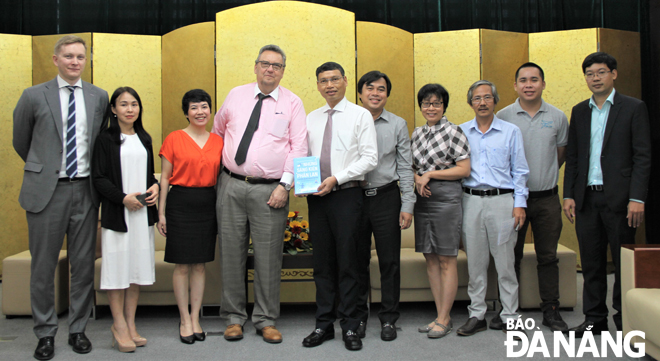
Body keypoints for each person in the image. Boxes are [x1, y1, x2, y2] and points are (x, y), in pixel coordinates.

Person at [13, 35, 109, 360]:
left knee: (82, 266)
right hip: (46, 192)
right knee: (43, 267)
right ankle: (45, 333)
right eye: (68, 56)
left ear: (86, 60)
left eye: (80, 56)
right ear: (55, 59)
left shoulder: (99, 97)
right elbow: (21, 141)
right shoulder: (32, 96)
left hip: (85, 191)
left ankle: (78, 329)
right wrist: (47, 169)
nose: (74, 62)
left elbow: (100, 143)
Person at [212, 45, 308, 344]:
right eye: (264, 64)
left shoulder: (293, 103)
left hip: (271, 190)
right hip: (230, 184)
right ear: (255, 67)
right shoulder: (235, 95)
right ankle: (233, 318)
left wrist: (285, 185)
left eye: (276, 65)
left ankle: (266, 319)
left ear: (283, 70)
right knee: (231, 253)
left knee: (268, 259)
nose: (270, 69)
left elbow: (299, 148)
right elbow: (217, 133)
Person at [563, 52, 651, 337]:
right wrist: (568, 195)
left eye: (601, 72)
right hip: (587, 199)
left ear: (614, 74)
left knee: (624, 266)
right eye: (590, 73)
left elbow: (643, 157)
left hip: (622, 201)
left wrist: (637, 198)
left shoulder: (633, 108)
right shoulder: (579, 111)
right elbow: (574, 158)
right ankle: (594, 319)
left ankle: (627, 322)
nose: (595, 78)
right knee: (591, 263)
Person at [301, 62, 378, 351]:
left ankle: (350, 325)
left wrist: (336, 178)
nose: (329, 85)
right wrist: (300, 181)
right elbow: (304, 155)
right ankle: (323, 324)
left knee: (348, 262)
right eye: (323, 81)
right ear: (318, 85)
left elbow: (370, 159)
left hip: (347, 194)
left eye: (335, 79)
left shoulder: (360, 115)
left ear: (346, 81)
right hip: (317, 197)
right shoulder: (311, 117)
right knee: (322, 262)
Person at [495, 62, 569, 332]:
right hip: (512, 200)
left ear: (543, 84)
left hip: (547, 199)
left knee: (547, 256)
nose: (529, 84)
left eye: (534, 80)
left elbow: (559, 155)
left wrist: (543, 175)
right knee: (509, 256)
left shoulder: (558, 116)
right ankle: (507, 310)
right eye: (523, 80)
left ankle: (551, 310)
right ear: (514, 85)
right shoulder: (502, 116)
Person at [456, 80, 529, 338]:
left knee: (506, 262)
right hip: (471, 201)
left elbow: (520, 171)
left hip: (503, 201)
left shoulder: (511, 131)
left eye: (487, 97)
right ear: (470, 103)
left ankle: (509, 315)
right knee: (475, 262)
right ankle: (477, 314)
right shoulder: (461, 132)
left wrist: (520, 204)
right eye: (477, 98)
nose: (482, 102)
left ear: (495, 100)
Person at [92, 87, 160, 352]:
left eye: (134, 104)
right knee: (117, 271)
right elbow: (98, 178)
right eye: (123, 104)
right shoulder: (106, 139)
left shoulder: (144, 138)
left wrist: (154, 187)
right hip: (118, 215)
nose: (130, 109)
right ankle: (118, 325)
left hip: (141, 215)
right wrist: (122, 198)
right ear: (113, 109)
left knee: (135, 272)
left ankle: (131, 324)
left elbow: (148, 176)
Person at [158, 89, 223, 344]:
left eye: (204, 106)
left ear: (210, 110)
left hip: (208, 204)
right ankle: (184, 318)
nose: (200, 112)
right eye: (194, 107)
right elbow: (164, 177)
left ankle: (196, 317)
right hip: (180, 204)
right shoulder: (174, 138)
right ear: (186, 112)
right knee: (182, 264)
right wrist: (161, 213)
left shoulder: (218, 141)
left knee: (200, 264)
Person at [355, 71, 415, 342]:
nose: (375, 93)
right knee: (356, 261)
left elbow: (405, 166)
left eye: (381, 89)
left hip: (387, 198)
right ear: (360, 93)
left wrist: (408, 204)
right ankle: (357, 318)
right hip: (353, 198)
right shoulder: (349, 121)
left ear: (387, 95)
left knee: (389, 261)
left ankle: (389, 319)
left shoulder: (398, 124)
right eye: (370, 88)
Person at [411, 84, 471, 339]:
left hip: (446, 198)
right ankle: (439, 314)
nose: (431, 108)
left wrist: (430, 174)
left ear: (444, 105)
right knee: (430, 257)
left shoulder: (454, 132)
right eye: (426, 103)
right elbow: (410, 166)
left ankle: (445, 318)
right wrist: (417, 177)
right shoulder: (416, 133)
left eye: (436, 103)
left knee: (446, 258)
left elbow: (464, 169)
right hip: (422, 199)